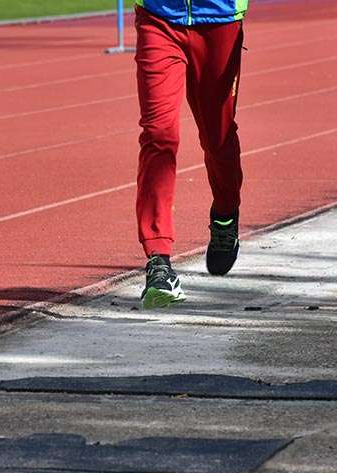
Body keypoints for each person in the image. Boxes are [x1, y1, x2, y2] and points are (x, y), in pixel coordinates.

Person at [134, 0, 249, 309]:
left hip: (219, 18)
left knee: (218, 138)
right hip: (159, 17)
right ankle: (158, 259)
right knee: (159, 135)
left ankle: (225, 216)